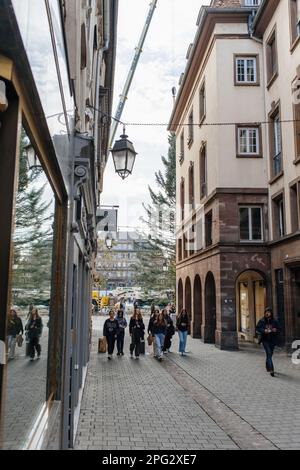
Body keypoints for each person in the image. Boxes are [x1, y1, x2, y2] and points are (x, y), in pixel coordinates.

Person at [256, 307, 280, 377]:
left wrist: (275, 330)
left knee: (270, 354)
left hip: (272, 340)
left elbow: (279, 329)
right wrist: (264, 330)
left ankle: (267, 365)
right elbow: (258, 328)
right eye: (266, 312)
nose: (267, 313)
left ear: (271, 313)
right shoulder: (262, 321)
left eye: (269, 312)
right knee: (269, 353)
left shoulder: (275, 321)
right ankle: (271, 370)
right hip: (265, 340)